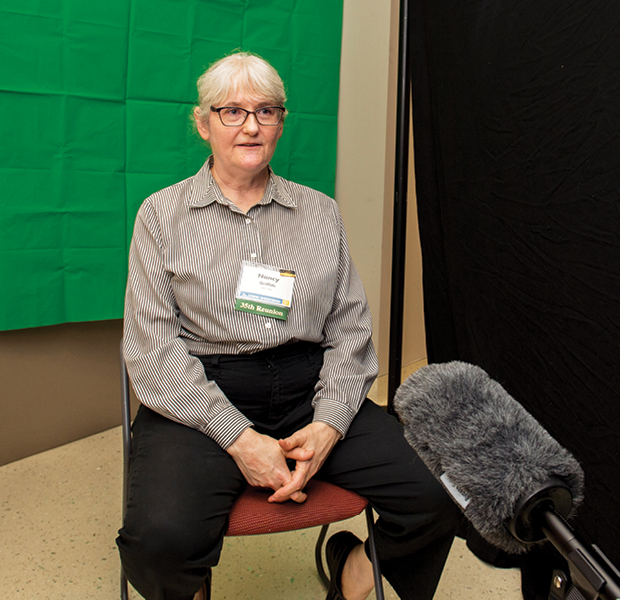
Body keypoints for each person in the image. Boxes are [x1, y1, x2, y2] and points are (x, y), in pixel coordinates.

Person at [117, 51, 461, 600]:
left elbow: (350, 332)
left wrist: (328, 424)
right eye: (231, 111)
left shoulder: (321, 213)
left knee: (440, 494)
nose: (250, 125)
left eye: (266, 110)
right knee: (159, 539)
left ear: (281, 121)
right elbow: (152, 351)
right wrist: (240, 439)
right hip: (201, 391)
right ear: (203, 124)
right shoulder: (161, 216)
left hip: (308, 387)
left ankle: (353, 573)